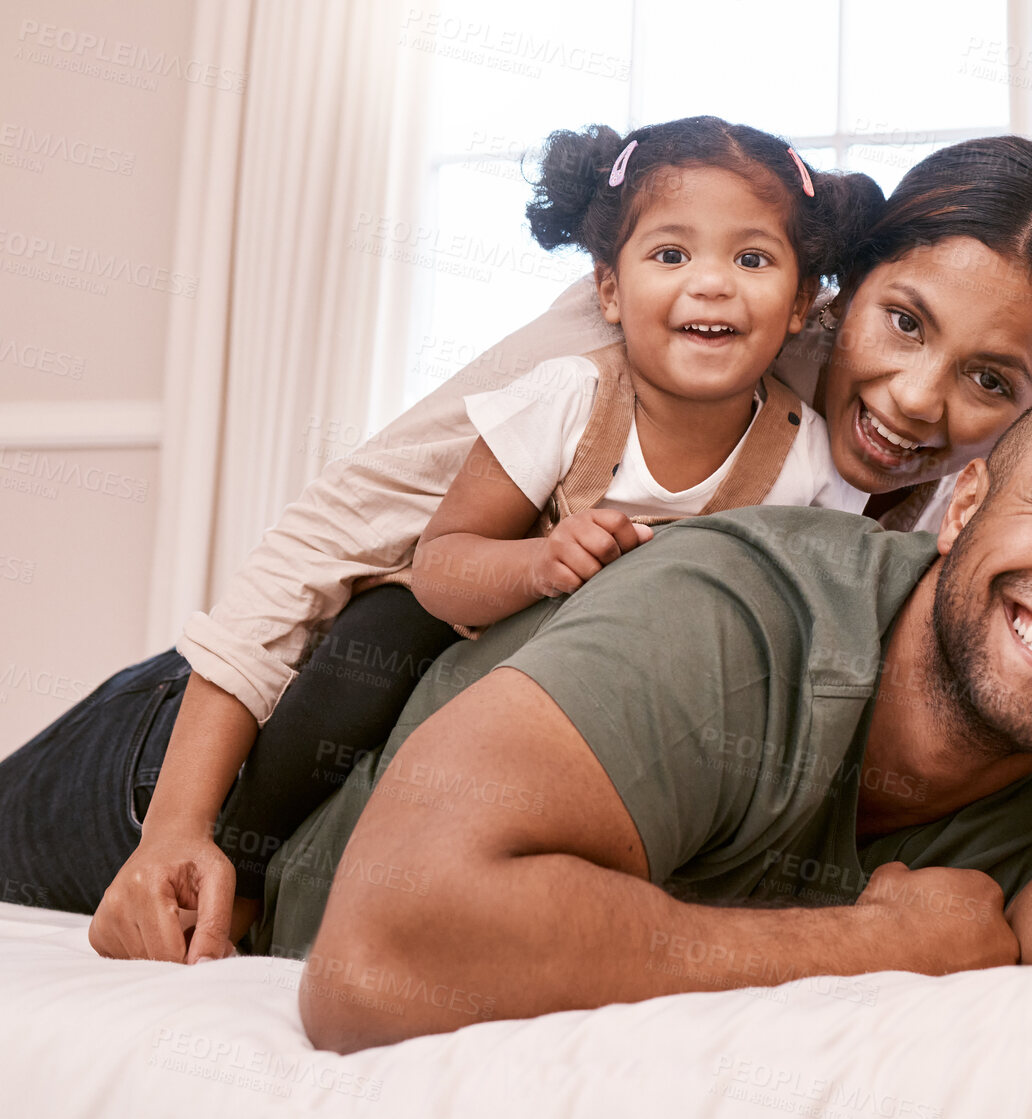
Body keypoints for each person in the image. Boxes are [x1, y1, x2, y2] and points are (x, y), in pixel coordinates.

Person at [0, 133, 1032, 967]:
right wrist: (182, 829)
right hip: (223, 744)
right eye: (902, 321)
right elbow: (322, 555)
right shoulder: (634, 344)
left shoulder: (949, 526)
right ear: (835, 289)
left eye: (991, 383)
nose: (916, 400)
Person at [270, 358, 1032, 1053]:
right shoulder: (739, 608)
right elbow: (377, 965)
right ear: (962, 506)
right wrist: (874, 945)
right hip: (145, 787)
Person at [210, 117, 885, 908]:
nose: (713, 282)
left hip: (653, 687)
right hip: (494, 632)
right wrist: (538, 563)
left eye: (753, 258)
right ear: (608, 287)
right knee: (376, 641)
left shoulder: (807, 459)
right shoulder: (569, 397)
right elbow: (441, 561)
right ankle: (245, 863)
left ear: (802, 299)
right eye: (672, 254)